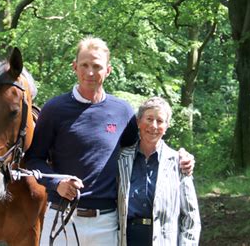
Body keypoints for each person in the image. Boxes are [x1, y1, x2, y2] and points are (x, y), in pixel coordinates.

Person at [24, 36, 195, 246]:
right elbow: (33, 159)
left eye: (97, 66)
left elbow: (142, 149)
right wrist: (56, 182)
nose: (90, 72)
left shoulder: (122, 111)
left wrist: (179, 157)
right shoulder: (54, 110)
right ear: (74, 67)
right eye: (84, 65)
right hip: (61, 217)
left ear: (108, 70)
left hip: (107, 222)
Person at [117, 97, 201, 246]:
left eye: (160, 121)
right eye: (149, 119)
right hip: (127, 239)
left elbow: (190, 217)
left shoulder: (179, 163)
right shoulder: (121, 158)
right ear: (138, 122)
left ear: (167, 126)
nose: (154, 126)